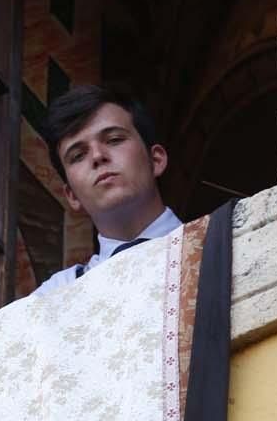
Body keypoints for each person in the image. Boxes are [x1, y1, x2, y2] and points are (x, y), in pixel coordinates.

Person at [33, 84, 181, 295]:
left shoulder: (225, 239)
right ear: (72, 196)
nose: (97, 156)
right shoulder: (53, 298)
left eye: (114, 140)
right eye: (77, 156)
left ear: (155, 160)